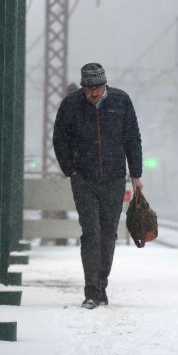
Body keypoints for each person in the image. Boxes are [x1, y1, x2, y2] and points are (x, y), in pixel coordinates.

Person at [52, 63, 144, 309]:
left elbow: (132, 137)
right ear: (83, 88)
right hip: (83, 178)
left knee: (108, 234)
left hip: (114, 178)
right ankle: (92, 291)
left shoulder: (121, 101)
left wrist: (135, 173)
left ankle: (101, 285)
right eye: (88, 89)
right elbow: (59, 137)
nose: (93, 93)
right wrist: (68, 168)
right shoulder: (71, 104)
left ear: (105, 84)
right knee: (90, 232)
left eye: (98, 88)